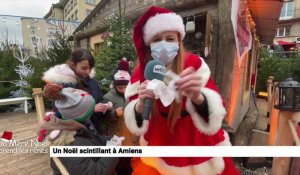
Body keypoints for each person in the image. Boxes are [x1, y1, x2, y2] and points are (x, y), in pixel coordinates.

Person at [123, 6, 240, 175]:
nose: (164, 44)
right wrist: (140, 105)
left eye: (170, 38)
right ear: (149, 44)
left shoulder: (194, 63)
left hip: (196, 141)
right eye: (157, 39)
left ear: (178, 41)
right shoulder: (142, 72)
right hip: (160, 141)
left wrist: (198, 97)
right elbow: (135, 121)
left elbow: (217, 112)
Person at [40, 83, 119, 175]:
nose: (93, 110)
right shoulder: (69, 143)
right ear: (84, 115)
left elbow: (92, 140)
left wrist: (111, 139)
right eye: (90, 109)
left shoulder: (77, 128)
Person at [42, 49, 112, 134]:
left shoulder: (92, 82)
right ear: (73, 65)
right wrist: (91, 109)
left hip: (94, 127)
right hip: (74, 131)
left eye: (90, 68)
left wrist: (105, 105)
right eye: (84, 68)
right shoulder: (65, 84)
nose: (88, 71)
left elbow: (99, 98)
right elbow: (61, 110)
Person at [104, 59, 135, 175]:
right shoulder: (108, 97)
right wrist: (114, 114)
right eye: (120, 87)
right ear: (115, 85)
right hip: (117, 136)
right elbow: (104, 118)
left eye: (125, 87)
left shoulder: (133, 94)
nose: (123, 90)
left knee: (132, 164)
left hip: (132, 137)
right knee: (120, 165)